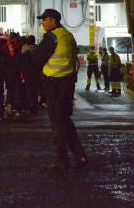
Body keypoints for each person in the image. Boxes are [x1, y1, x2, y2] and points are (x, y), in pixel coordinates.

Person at [32, 9, 87, 169]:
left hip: (54, 83)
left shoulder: (52, 36)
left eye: (44, 20)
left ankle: (61, 159)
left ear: (53, 21)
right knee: (65, 120)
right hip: (67, 83)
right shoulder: (67, 35)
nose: (42, 22)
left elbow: (37, 58)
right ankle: (79, 155)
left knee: (58, 123)